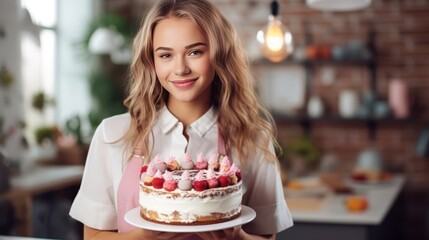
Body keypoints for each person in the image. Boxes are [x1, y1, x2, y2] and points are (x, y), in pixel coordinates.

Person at [69, 0, 293, 239]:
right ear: (151, 62)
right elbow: (92, 236)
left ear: (219, 54)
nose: (180, 68)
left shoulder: (254, 137)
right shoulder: (112, 134)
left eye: (195, 52)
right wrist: (145, 235)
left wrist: (236, 237)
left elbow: (266, 237)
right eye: (165, 55)